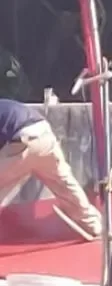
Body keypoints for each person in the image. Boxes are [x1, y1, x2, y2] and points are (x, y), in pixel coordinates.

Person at [0, 99, 102, 237]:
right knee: (64, 183)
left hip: (21, 140)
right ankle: (93, 225)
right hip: (44, 134)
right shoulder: (5, 105)